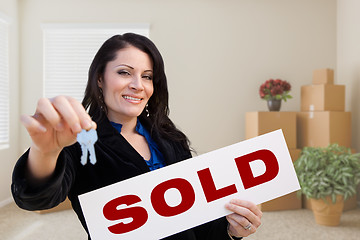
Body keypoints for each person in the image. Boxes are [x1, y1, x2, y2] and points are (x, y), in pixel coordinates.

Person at [11, 33, 262, 240]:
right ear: (100, 78)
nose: (138, 85)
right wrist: (45, 151)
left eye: (147, 76)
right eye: (124, 72)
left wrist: (231, 230)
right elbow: (35, 199)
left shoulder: (169, 138)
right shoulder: (79, 142)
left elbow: (196, 219)